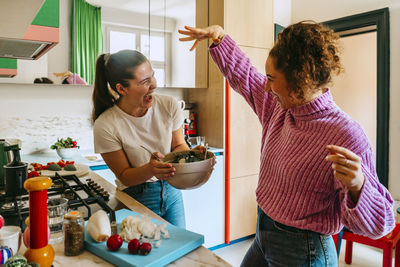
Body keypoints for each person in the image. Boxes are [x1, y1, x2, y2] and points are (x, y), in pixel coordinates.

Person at [179, 22, 395, 266]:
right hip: (264, 233)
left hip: (304, 250)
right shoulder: (278, 107)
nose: (266, 86)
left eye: (271, 78)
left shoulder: (345, 134)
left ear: (300, 81)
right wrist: (219, 38)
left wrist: (359, 186)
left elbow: (381, 223)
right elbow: (245, 76)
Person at [92, 49, 190, 228]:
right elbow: (124, 176)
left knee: (180, 251)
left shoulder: (169, 105)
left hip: (172, 190)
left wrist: (194, 159)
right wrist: (150, 169)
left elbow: (179, 145)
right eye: (145, 81)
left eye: (152, 76)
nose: (154, 85)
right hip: (136, 196)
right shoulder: (106, 125)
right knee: (145, 252)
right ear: (122, 89)